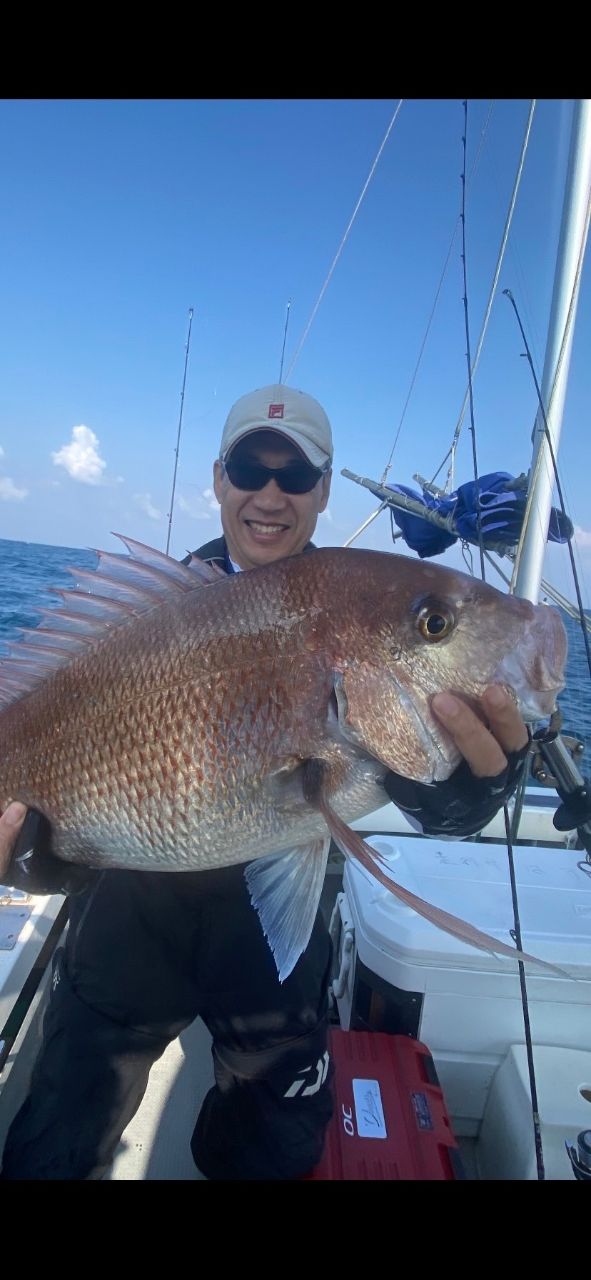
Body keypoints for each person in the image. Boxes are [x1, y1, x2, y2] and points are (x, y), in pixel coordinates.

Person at [0, 383, 531, 1180]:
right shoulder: (145, 627)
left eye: (296, 475)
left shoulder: (354, 598)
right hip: (128, 919)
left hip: (264, 953)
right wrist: (38, 856)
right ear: (220, 479)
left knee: (270, 1149)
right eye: (251, 467)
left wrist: (470, 792)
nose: (270, 494)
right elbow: (74, 783)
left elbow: (411, 785)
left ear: (322, 489)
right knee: (54, 1135)